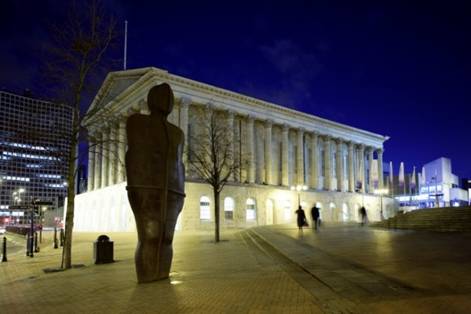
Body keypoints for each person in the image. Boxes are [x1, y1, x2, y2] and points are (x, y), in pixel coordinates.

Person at [126, 83, 186, 283]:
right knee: (149, 237)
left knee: (167, 239)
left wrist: (181, 193)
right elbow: (132, 157)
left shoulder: (178, 133)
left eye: (169, 97)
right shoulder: (136, 122)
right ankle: (146, 276)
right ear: (152, 99)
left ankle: (161, 274)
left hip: (173, 192)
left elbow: (180, 164)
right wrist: (134, 188)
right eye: (162, 96)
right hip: (147, 190)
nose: (167, 99)